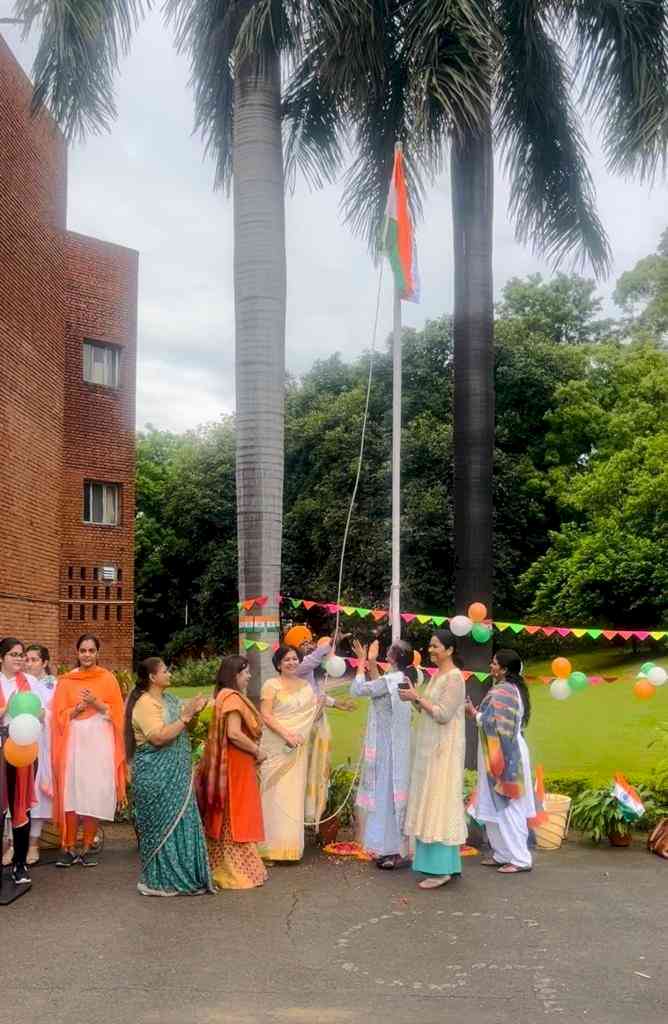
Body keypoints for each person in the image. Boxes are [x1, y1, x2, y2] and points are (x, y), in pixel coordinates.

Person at [126, 657, 212, 896]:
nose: (170, 673)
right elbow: (158, 738)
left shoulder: (170, 700)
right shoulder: (145, 704)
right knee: (160, 827)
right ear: (152, 677)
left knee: (182, 822)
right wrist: (184, 716)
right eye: (165, 670)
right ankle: (158, 881)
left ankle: (182, 877)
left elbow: (186, 729)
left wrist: (193, 713)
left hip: (177, 776)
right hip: (155, 775)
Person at [52, 634, 126, 867]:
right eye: (82, 650)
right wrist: (77, 709)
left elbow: (117, 712)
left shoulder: (108, 679)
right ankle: (68, 845)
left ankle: (86, 846)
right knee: (72, 791)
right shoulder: (66, 681)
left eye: (91, 650)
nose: (86, 655)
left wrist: (96, 703)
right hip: (74, 742)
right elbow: (57, 716)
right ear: (76, 653)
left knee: (93, 791)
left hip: (99, 742)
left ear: (97, 653)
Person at [401, 630, 467, 889]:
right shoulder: (437, 675)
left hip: (444, 750)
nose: (431, 650)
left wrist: (418, 698)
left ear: (450, 650)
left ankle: (442, 870)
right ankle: (436, 866)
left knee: (439, 800)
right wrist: (413, 698)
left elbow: (443, 714)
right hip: (429, 747)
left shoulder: (454, 677)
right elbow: (429, 709)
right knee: (429, 799)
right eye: (430, 646)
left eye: (436, 646)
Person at [196, 655, 267, 890]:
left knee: (228, 812)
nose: (248, 676)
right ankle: (237, 871)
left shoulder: (224, 696)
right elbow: (234, 733)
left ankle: (223, 866)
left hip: (232, 763)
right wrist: (257, 751)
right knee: (237, 813)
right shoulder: (233, 699)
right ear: (234, 674)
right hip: (236, 764)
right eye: (245, 672)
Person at [465, 648, 536, 873]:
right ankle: (502, 853)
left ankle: (520, 858)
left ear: (504, 669)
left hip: (506, 754)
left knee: (508, 804)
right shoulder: (510, 689)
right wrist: (478, 714)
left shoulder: (504, 692)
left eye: (495, 663)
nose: (491, 666)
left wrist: (474, 714)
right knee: (494, 803)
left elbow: (495, 725)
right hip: (497, 752)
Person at [258, 644, 328, 862]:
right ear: (278, 664)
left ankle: (289, 849)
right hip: (276, 746)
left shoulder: (306, 686)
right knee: (272, 794)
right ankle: (267, 848)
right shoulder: (271, 685)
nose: (291, 663)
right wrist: (286, 734)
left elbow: (310, 717)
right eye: (287, 659)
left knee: (292, 795)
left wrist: (321, 706)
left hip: (297, 748)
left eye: (295, 659)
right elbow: (266, 716)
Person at [351, 638, 413, 869]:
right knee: (391, 797)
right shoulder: (402, 679)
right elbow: (380, 691)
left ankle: (390, 851)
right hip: (398, 747)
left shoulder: (391, 680)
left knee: (386, 798)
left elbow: (358, 689)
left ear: (393, 657)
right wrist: (372, 662)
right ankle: (392, 848)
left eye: (389, 651)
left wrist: (360, 663)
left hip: (387, 748)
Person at [0, 637, 38, 885]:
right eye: (13, 654)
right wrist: (7, 708)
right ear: (1, 657)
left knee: (21, 808)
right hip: (0, 750)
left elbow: (43, 714)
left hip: (23, 752)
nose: (19, 658)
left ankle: (20, 864)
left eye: (21, 654)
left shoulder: (31, 683)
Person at [25, 644, 57, 865]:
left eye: (34, 659)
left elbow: (60, 711)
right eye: (27, 659)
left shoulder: (53, 685)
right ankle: (11, 843)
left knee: (38, 794)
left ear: (45, 663)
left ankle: (33, 844)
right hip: (21, 743)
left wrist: (45, 713)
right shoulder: (21, 683)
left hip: (45, 742)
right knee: (18, 793)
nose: (29, 663)